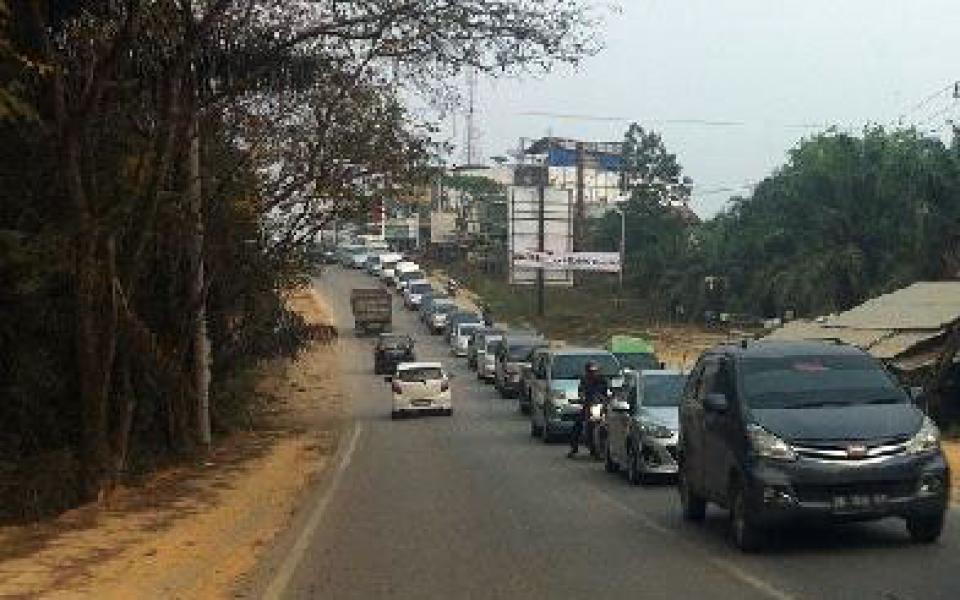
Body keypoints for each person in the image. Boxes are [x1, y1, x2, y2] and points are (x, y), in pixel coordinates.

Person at [568, 361, 609, 458]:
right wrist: (581, 397)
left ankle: (605, 447)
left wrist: (607, 398)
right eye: (591, 371)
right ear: (587, 371)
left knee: (609, 423)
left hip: (601, 406)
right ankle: (574, 448)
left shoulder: (603, 380)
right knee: (577, 424)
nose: (593, 373)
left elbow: (607, 391)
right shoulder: (584, 380)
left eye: (595, 371)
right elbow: (581, 391)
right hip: (588, 405)